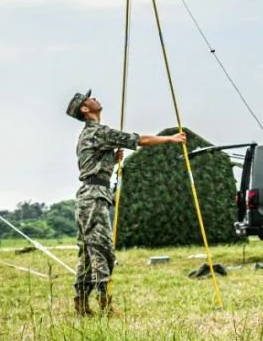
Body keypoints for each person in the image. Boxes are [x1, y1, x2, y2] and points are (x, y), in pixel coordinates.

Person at [66, 89, 187, 316]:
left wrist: (111, 159)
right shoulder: (98, 132)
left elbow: (92, 163)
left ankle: (82, 304)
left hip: (88, 195)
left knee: (88, 253)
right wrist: (172, 139)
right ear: (84, 109)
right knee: (102, 250)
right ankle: (105, 304)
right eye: (89, 98)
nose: (95, 98)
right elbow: (140, 140)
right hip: (94, 197)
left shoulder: (88, 135)